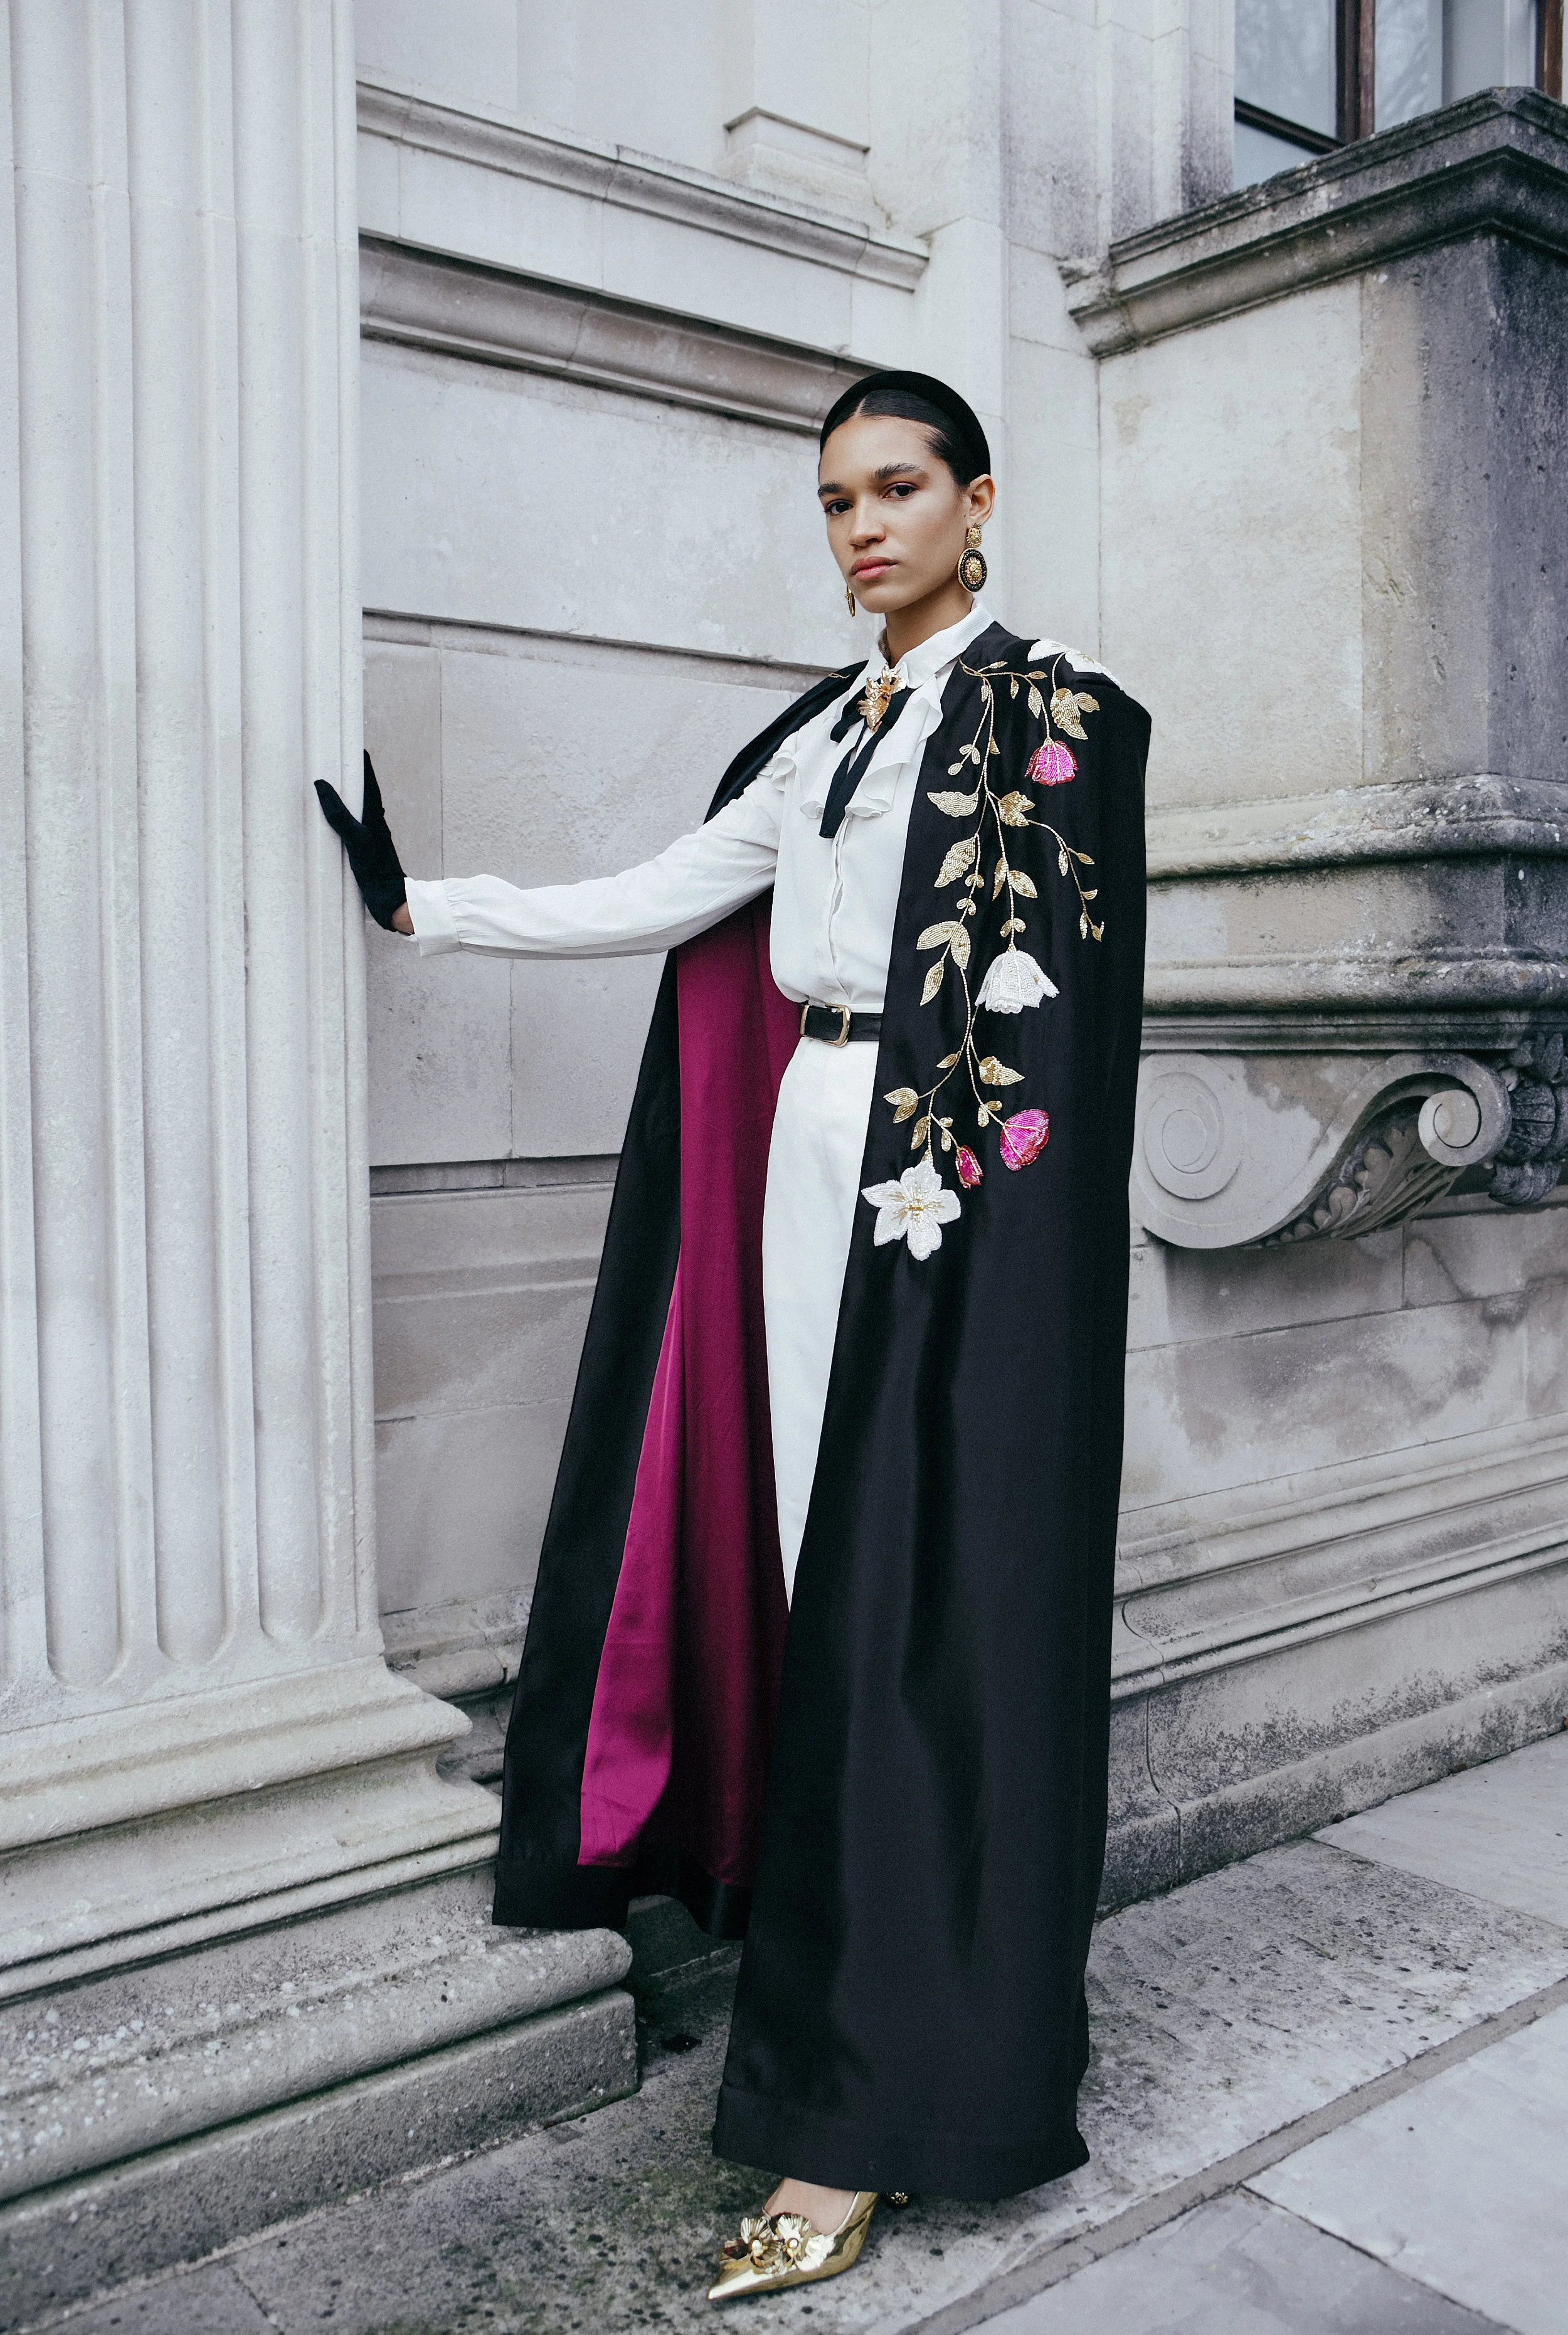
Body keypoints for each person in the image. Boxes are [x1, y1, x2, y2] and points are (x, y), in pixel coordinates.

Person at [319, 370, 1149, 2302]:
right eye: (837, 499)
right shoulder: (824, 729)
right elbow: (672, 896)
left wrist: (976, 1250)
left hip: (947, 1196)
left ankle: (866, 2096)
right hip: (798, 1155)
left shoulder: (1057, 716)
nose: (864, 528)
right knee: (804, 1564)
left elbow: (1057, 1052)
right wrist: (424, 903)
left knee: (911, 1591)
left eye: (900, 489)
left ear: (978, 500)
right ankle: (816, 1948)